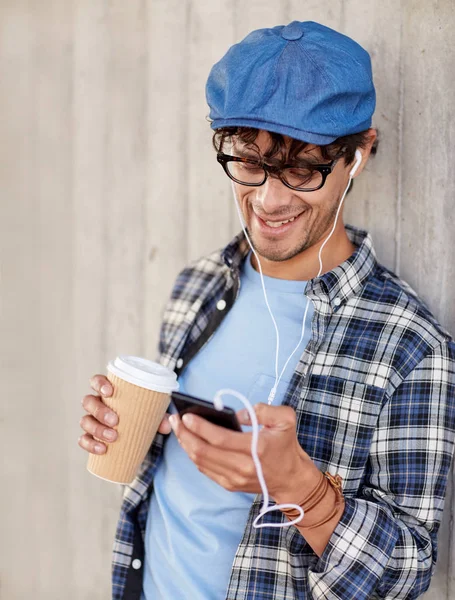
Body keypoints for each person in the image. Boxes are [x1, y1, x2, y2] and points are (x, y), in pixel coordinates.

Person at [78, 21, 455, 600]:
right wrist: (130, 428)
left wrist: (300, 488)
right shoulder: (196, 287)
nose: (269, 199)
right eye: (250, 162)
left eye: (303, 169)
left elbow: (408, 572)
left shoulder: (411, 346)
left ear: (360, 154)